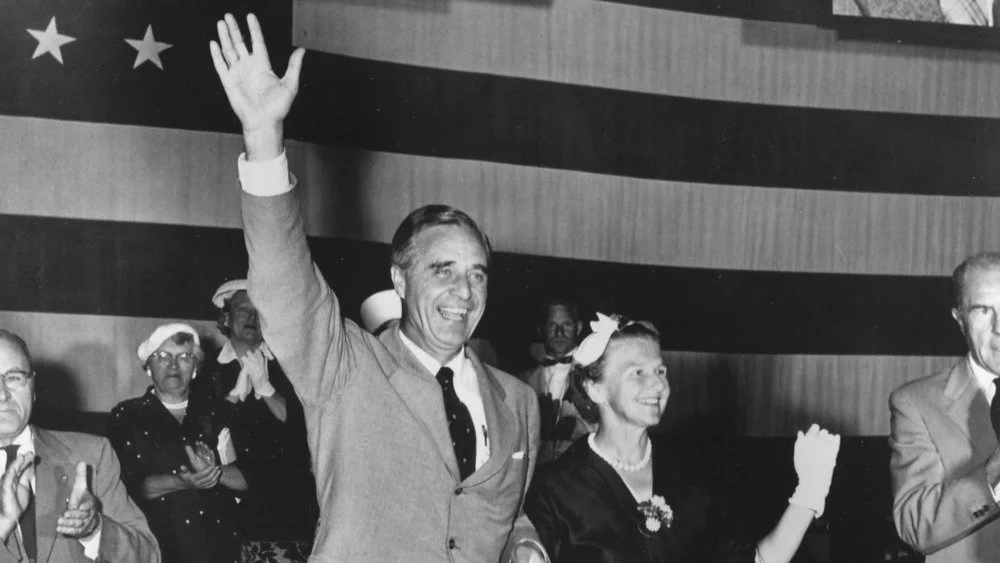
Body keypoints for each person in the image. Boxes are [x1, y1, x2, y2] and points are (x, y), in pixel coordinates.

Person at [209, 13, 546, 562]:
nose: (465, 291)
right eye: (443, 269)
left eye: (477, 273)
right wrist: (263, 137)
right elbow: (286, 284)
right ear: (399, 279)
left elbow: (499, 514)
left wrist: (528, 546)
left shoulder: (520, 402)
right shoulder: (347, 366)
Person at [525, 313, 840, 562]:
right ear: (595, 389)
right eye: (638, 373)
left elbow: (756, 560)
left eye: (661, 371)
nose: (658, 385)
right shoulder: (555, 490)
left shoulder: (692, 474)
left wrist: (809, 493)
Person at [0, 329, 159, 562]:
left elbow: (149, 557)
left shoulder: (92, 455)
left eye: (13, 378)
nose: (3, 394)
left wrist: (94, 529)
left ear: (33, 387)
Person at [889, 251, 1000, 561]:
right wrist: (993, 472)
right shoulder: (915, 403)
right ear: (959, 318)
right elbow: (914, 527)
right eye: (983, 310)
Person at [107, 324, 247, 563]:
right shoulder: (127, 415)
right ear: (148, 367)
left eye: (184, 357)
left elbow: (245, 479)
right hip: (157, 547)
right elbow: (125, 488)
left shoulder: (217, 411)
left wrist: (214, 472)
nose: (173, 365)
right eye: (162, 357)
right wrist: (181, 482)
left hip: (217, 548)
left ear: (195, 368)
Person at [196, 280, 317, 547]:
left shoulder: (290, 366)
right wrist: (234, 397)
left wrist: (267, 389)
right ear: (226, 317)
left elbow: (305, 430)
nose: (252, 317)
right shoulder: (206, 370)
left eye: (259, 310)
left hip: (286, 513)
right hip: (227, 511)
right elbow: (203, 431)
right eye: (243, 309)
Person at [519, 299, 594, 463]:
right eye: (552, 325)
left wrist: (574, 429)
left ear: (579, 327)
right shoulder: (522, 382)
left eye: (567, 325)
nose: (559, 332)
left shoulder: (596, 375)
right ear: (541, 330)